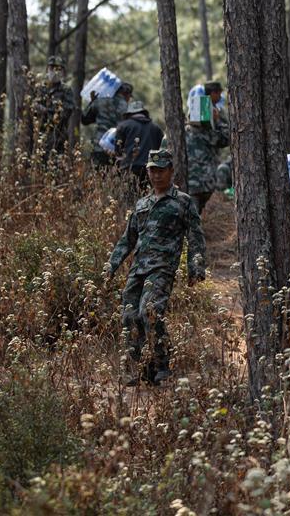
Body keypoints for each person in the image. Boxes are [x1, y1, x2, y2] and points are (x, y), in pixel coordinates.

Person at [105, 149, 207, 385]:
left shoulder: (182, 201)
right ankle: (141, 368)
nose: (156, 175)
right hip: (138, 269)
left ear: (171, 171)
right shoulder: (142, 203)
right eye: (152, 170)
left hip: (162, 268)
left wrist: (196, 268)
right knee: (129, 316)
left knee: (149, 311)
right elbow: (127, 239)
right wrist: (111, 265)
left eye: (161, 170)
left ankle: (163, 364)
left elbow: (196, 236)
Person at [161, 82, 230, 213]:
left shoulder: (177, 133)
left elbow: (163, 151)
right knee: (193, 217)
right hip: (206, 184)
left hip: (188, 183)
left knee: (190, 216)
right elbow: (226, 138)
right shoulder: (208, 134)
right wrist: (218, 121)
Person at [33, 55, 79, 160]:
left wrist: (46, 110)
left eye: (58, 69)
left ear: (62, 72)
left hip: (58, 137)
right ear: (47, 70)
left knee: (57, 164)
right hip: (40, 136)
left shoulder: (66, 90)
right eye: (51, 68)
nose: (54, 72)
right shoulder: (41, 89)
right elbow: (33, 110)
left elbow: (66, 111)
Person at [81, 81, 133, 168]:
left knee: (97, 173)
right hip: (117, 150)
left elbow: (84, 120)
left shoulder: (100, 101)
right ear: (127, 95)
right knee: (114, 175)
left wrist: (92, 102)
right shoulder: (129, 108)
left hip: (98, 146)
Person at [114, 101, 164, 187]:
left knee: (130, 193)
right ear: (144, 113)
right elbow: (161, 150)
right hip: (151, 170)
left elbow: (118, 151)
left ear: (129, 114)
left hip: (128, 168)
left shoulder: (123, 126)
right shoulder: (156, 128)